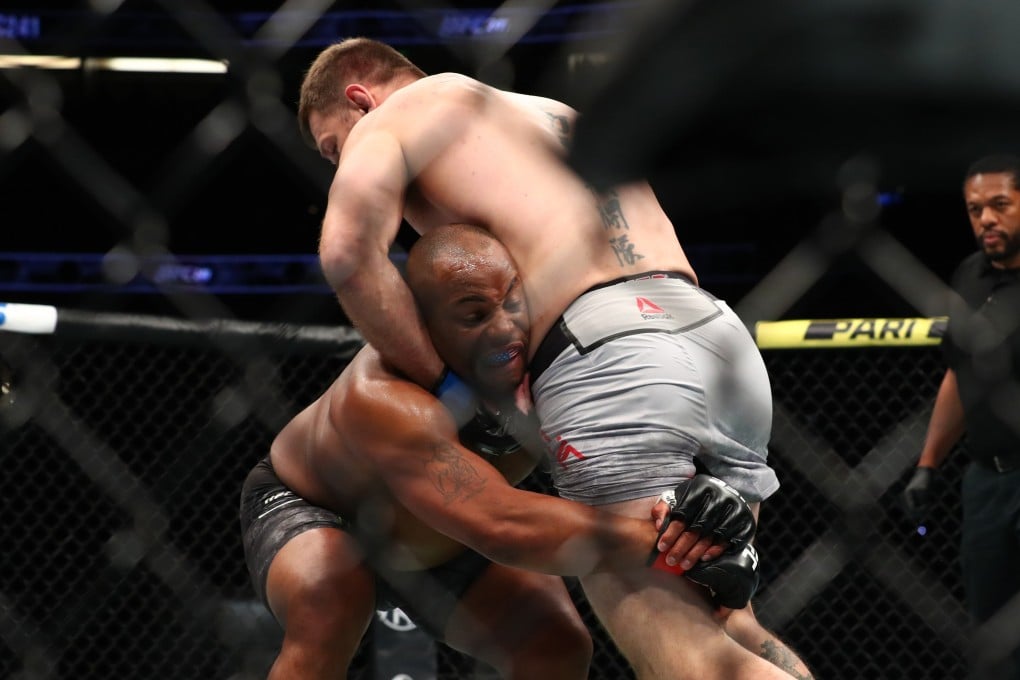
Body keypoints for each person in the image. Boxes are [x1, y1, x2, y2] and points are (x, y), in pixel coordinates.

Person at [299, 37, 812, 678]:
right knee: (731, 623)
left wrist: (454, 388)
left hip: (610, 354)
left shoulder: (396, 116)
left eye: (332, 148)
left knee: (687, 659)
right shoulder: (561, 113)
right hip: (716, 335)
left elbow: (348, 252)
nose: (337, 163)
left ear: (358, 97)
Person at [239, 231, 762, 679]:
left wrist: (696, 511)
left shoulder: (555, 360)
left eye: (511, 302)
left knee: (554, 646)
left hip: (442, 538)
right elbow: (501, 523)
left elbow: (630, 456)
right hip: (318, 508)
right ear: (421, 323)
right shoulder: (386, 398)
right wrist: (681, 546)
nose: (505, 329)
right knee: (330, 605)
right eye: (473, 315)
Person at [903, 153, 1020, 680]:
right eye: (975, 210)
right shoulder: (968, 276)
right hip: (987, 480)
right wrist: (928, 462)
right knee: (992, 638)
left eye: (1000, 205)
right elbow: (959, 374)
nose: (986, 220)